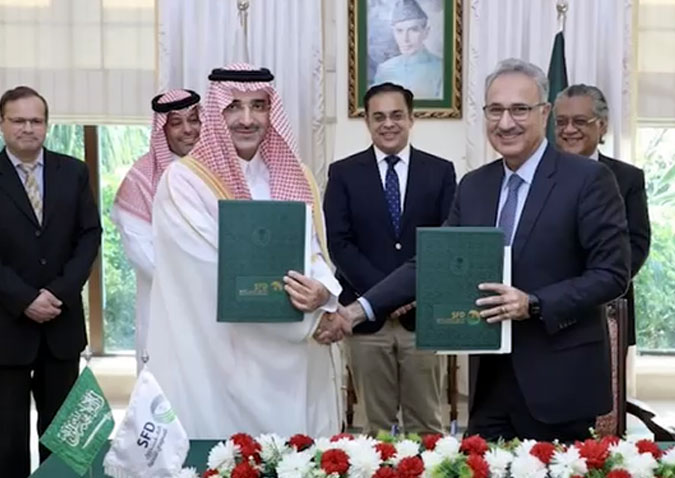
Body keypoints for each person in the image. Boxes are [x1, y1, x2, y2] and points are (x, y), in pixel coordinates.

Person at [332, 59, 631, 442]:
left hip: (559, 381)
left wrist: (534, 303)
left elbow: (611, 274)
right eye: (495, 110)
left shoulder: (588, 180)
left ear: (544, 113)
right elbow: (432, 263)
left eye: (519, 109)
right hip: (489, 387)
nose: (506, 123)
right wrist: (357, 311)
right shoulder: (475, 186)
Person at [147, 64, 346, 439]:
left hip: (294, 365)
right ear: (215, 112)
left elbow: (313, 251)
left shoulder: (296, 174)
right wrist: (312, 320)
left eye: (258, 106)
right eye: (234, 107)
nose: (247, 119)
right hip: (223, 361)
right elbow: (210, 272)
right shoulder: (184, 182)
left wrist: (325, 295)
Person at [0, 86, 101, 478]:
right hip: (3, 329)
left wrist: (58, 292)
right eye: (18, 120)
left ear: (46, 125)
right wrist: (25, 300)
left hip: (60, 325)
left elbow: (89, 236)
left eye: (36, 120)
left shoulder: (73, 172)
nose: (27, 128)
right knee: (7, 441)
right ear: (1, 124)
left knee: (63, 440)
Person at [324, 82, 455, 434]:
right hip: (366, 321)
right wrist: (384, 296)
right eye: (378, 116)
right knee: (374, 429)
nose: (388, 124)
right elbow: (339, 244)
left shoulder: (440, 171)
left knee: (427, 425)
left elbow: (446, 241)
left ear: (412, 118)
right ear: (367, 121)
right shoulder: (343, 173)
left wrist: (409, 293)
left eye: (397, 115)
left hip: (422, 318)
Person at [110, 89, 203, 372]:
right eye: (176, 123)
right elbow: (140, 250)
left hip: (216, 303)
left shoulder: (222, 170)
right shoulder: (142, 177)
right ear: (163, 129)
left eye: (194, 120)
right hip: (165, 300)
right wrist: (195, 279)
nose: (188, 130)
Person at [554, 84, 651, 349]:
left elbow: (637, 244)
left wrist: (596, 286)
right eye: (561, 121)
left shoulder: (627, 178)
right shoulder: (537, 175)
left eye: (579, 121)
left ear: (602, 126)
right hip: (547, 308)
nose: (569, 130)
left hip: (606, 307)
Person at [372, 0, 443, 99]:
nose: (405, 39)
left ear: (426, 32)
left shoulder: (441, 69)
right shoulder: (384, 69)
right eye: (399, 31)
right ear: (393, 32)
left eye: (413, 30)